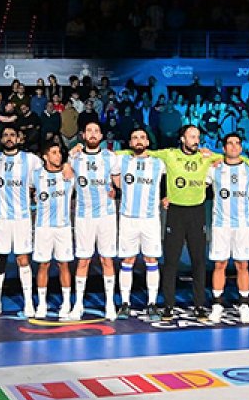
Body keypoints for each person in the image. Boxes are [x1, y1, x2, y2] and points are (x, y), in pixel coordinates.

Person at [148, 124, 249, 320]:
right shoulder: (169, 154)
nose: (196, 140)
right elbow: (142, 153)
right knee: (171, 261)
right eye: (192, 136)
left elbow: (233, 158)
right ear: (182, 138)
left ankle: (200, 305)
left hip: (197, 212)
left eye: (197, 136)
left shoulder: (206, 157)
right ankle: (169, 305)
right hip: (175, 211)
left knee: (199, 261)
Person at [0, 127, 44, 317]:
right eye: (6, 135)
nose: (9, 138)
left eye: (12, 135)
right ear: (1, 139)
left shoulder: (31, 159)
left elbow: (46, 174)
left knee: (22, 259)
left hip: (21, 217)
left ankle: (28, 303)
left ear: (19, 138)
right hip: (0, 217)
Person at [205, 133, 249, 323]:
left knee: (242, 265)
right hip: (221, 225)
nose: (234, 146)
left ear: (241, 148)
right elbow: (197, 186)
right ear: (224, 148)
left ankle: (244, 305)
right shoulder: (214, 169)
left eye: (237, 143)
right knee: (219, 264)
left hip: (243, 225)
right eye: (230, 143)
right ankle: (217, 305)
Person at [113, 128, 166, 319]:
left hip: (150, 219)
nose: (138, 141)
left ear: (148, 143)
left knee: (151, 260)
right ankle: (125, 303)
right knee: (127, 261)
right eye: (135, 137)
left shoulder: (159, 163)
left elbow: (180, 172)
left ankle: (152, 304)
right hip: (128, 218)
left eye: (142, 138)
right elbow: (105, 161)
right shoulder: (122, 160)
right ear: (129, 142)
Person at [69, 122, 120, 320]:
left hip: (106, 216)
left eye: (96, 131)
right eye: (88, 130)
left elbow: (118, 182)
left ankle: (109, 304)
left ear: (101, 136)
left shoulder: (110, 157)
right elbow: (63, 174)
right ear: (83, 135)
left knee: (107, 259)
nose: (92, 134)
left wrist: (116, 190)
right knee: (83, 260)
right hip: (84, 216)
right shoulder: (75, 157)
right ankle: (78, 305)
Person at [31, 143, 75, 319]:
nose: (58, 156)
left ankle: (66, 302)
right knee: (43, 265)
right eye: (54, 153)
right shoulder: (36, 175)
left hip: (63, 227)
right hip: (43, 227)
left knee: (64, 264)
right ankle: (42, 303)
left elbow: (78, 152)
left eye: (59, 153)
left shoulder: (69, 174)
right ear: (45, 157)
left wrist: (67, 164)